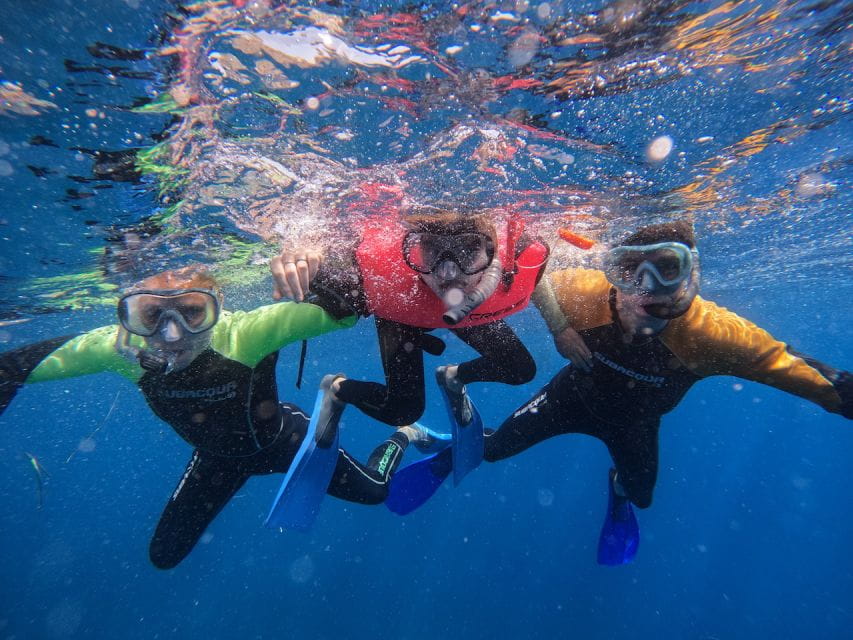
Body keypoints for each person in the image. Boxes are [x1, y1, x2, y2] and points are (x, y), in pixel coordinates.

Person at [391, 221, 852, 562]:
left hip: (635, 424)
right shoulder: (586, 293)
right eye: (629, 272)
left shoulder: (715, 336)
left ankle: (617, 487)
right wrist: (560, 328)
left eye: (668, 269)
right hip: (569, 397)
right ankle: (451, 449)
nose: (647, 291)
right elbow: (539, 277)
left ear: (694, 275)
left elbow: (791, 367)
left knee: (641, 494)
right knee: (491, 452)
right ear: (612, 273)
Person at [0, 264, 439, 569]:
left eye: (192, 312)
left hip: (286, 440)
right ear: (127, 314)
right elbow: (10, 369)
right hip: (218, 459)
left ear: (219, 305)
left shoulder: (246, 333)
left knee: (377, 492)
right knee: (164, 556)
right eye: (151, 315)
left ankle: (400, 433)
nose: (172, 336)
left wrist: (316, 262)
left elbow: (353, 303)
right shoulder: (120, 351)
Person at [270, 207, 550, 427]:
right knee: (402, 411)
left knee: (520, 370)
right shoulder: (382, 282)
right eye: (432, 250)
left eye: (467, 250)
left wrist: (560, 328)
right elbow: (325, 265)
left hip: (466, 313)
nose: (448, 273)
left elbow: (528, 275)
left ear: (495, 252)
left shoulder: (521, 261)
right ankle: (337, 388)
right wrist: (307, 252)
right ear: (415, 248)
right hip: (403, 313)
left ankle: (453, 377)